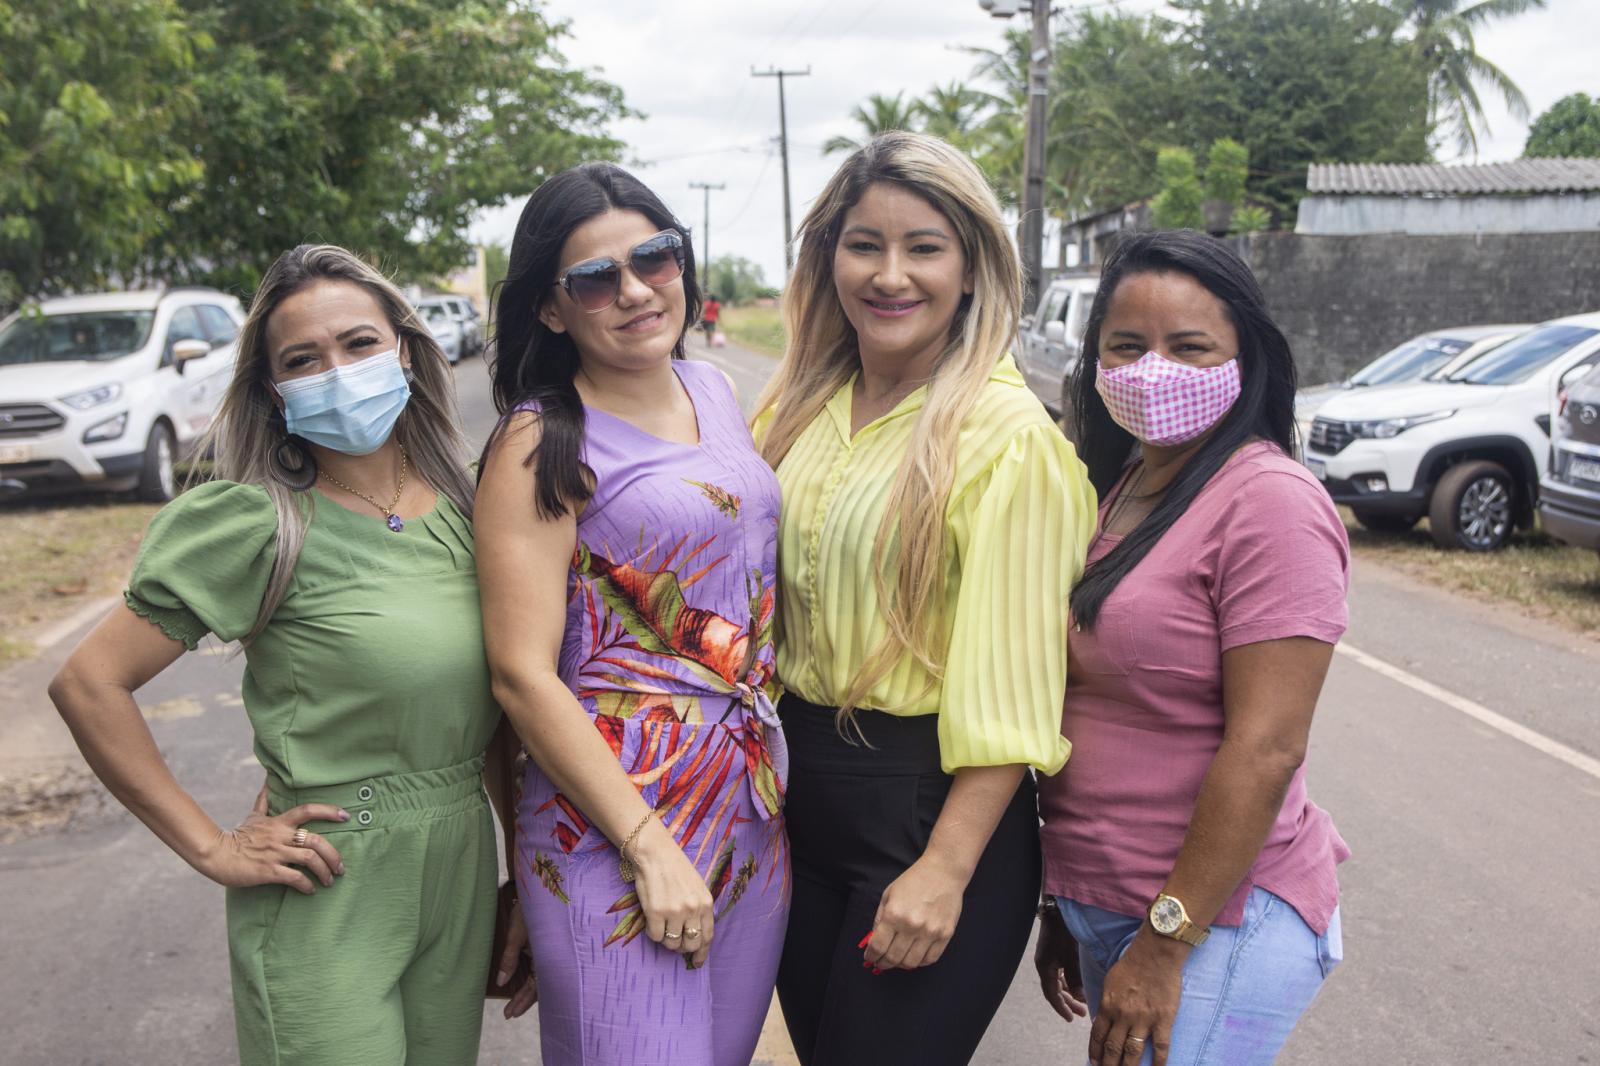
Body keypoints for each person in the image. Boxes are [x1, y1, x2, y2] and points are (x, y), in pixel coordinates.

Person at [47, 244, 533, 1065]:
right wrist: (211, 846)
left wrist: (523, 875)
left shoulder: (465, 508)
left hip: (459, 870)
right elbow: (88, 681)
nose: (336, 370)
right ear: (275, 391)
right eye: (303, 359)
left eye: (359, 344)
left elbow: (496, 711)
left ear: (407, 355)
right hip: (329, 879)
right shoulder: (260, 524)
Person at [752, 130, 1096, 1066]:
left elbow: (1015, 686)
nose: (890, 274)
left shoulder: (1006, 436)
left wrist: (944, 869)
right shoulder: (791, 413)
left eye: (925, 247)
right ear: (829, 258)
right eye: (865, 244)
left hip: (924, 812)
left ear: (973, 264)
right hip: (796, 799)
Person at [475, 162, 788, 1066]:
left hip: (751, 817)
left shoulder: (717, 391)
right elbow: (519, 674)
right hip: (611, 830)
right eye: (594, 279)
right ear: (549, 308)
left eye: (655, 258)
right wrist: (648, 847)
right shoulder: (539, 440)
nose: (635, 290)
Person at [1034, 229, 1350, 1066]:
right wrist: (1061, 904)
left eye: (1190, 347)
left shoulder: (1269, 501)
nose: (1152, 370)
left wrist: (1166, 942)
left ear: (1245, 357)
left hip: (1211, 923)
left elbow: (1268, 746)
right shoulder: (1121, 486)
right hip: (1115, 908)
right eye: (1126, 346)